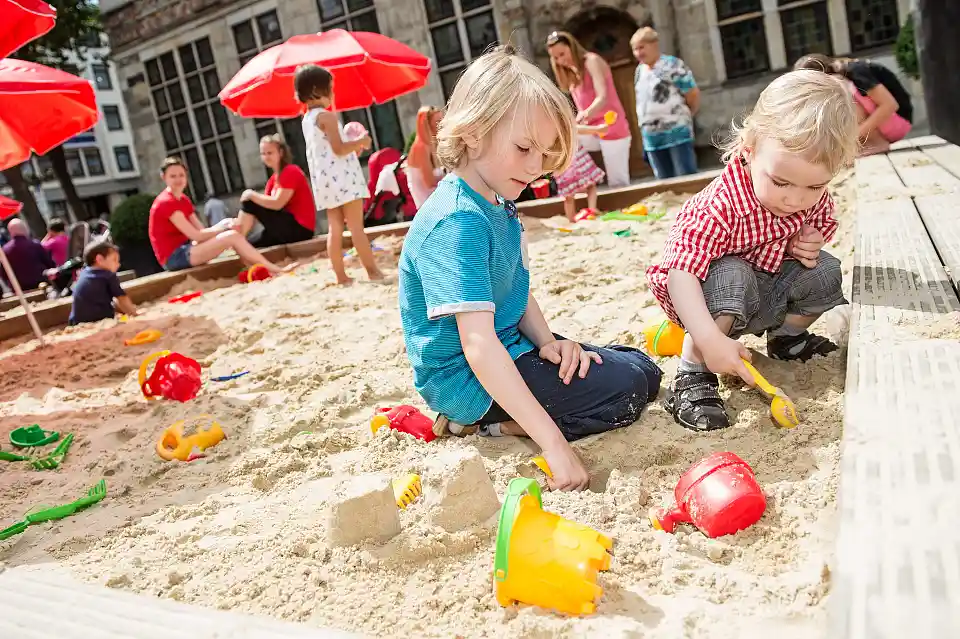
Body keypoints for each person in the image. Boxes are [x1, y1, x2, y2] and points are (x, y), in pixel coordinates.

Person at [399, 47, 663, 492]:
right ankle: (491, 425)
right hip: (468, 381)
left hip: (512, 346)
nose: (536, 168)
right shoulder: (457, 220)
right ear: (474, 133)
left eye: (543, 153)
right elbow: (478, 344)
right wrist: (554, 445)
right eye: (524, 148)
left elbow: (515, 292)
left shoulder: (497, 199)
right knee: (629, 391)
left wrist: (549, 343)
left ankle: (522, 411)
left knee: (643, 367)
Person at [646, 70, 858, 433]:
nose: (795, 199)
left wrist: (810, 239)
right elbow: (680, 274)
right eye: (781, 182)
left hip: (765, 295)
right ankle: (692, 373)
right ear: (748, 149)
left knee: (825, 269)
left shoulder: (807, 197)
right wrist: (710, 339)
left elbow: (822, 221)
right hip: (706, 307)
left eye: (814, 187)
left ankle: (787, 340)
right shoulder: (719, 205)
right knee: (733, 272)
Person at [295, 64, 384, 285]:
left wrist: (350, 145)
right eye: (330, 88)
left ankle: (340, 276)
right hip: (344, 180)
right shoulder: (327, 117)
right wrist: (361, 142)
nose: (333, 93)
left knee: (334, 229)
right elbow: (339, 148)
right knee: (356, 228)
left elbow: (328, 148)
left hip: (325, 182)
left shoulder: (308, 119)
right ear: (317, 90)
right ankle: (372, 271)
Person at [148, 157, 292, 274]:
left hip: (187, 248)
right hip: (174, 257)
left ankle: (253, 266)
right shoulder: (166, 202)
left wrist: (227, 224)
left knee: (230, 228)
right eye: (173, 176)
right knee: (231, 235)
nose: (178, 179)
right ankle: (274, 269)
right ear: (164, 177)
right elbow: (196, 235)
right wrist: (224, 229)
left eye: (181, 175)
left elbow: (201, 230)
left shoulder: (183, 200)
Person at [547, 30, 633, 187]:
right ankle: (578, 182)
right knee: (564, 139)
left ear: (572, 47)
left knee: (618, 182)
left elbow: (602, 97)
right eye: (556, 58)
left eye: (562, 54)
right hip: (592, 130)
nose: (561, 60)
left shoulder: (591, 61)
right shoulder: (571, 74)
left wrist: (585, 114)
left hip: (610, 126)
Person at [795, 53, 913, 155]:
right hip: (887, 125)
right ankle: (865, 144)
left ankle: (876, 142)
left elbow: (890, 105)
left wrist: (855, 135)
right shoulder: (848, 73)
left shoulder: (856, 71)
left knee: (839, 91)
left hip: (900, 120)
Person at [631, 27, 700, 179]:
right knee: (664, 183)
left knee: (687, 180)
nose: (638, 53)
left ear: (654, 44)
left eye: (641, 47)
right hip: (652, 137)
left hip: (677, 132)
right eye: (635, 49)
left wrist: (686, 115)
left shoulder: (673, 65)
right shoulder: (639, 71)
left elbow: (692, 93)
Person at [234, 134, 316, 247]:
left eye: (270, 153)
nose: (266, 157)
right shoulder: (272, 181)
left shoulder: (291, 171)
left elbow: (277, 203)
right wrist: (236, 222)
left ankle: (236, 238)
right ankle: (236, 239)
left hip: (300, 229)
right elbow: (262, 209)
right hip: (282, 228)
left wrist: (251, 194)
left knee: (250, 201)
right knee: (249, 245)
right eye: (263, 154)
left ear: (281, 153)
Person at [68, 241, 137, 325]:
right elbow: (122, 298)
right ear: (99, 259)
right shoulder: (107, 275)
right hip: (100, 320)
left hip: (76, 321)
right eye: (114, 260)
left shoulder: (84, 274)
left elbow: (104, 300)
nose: (118, 264)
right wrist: (134, 314)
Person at [554, 123, 609, 221]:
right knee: (591, 186)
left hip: (563, 164)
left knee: (569, 196)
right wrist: (597, 129)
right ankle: (592, 209)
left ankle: (571, 218)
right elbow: (579, 129)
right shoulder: (567, 125)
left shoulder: (550, 130)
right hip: (577, 161)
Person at [406, 106, 445, 209]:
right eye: (437, 122)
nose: (442, 125)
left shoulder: (430, 145)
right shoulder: (421, 147)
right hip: (427, 205)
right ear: (427, 125)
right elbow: (430, 183)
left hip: (433, 201)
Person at [1, 219, 55, 291]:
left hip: (20, 289)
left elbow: (3, 274)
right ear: (25, 229)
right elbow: (50, 264)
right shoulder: (35, 245)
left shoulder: (5, 251)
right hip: (42, 285)